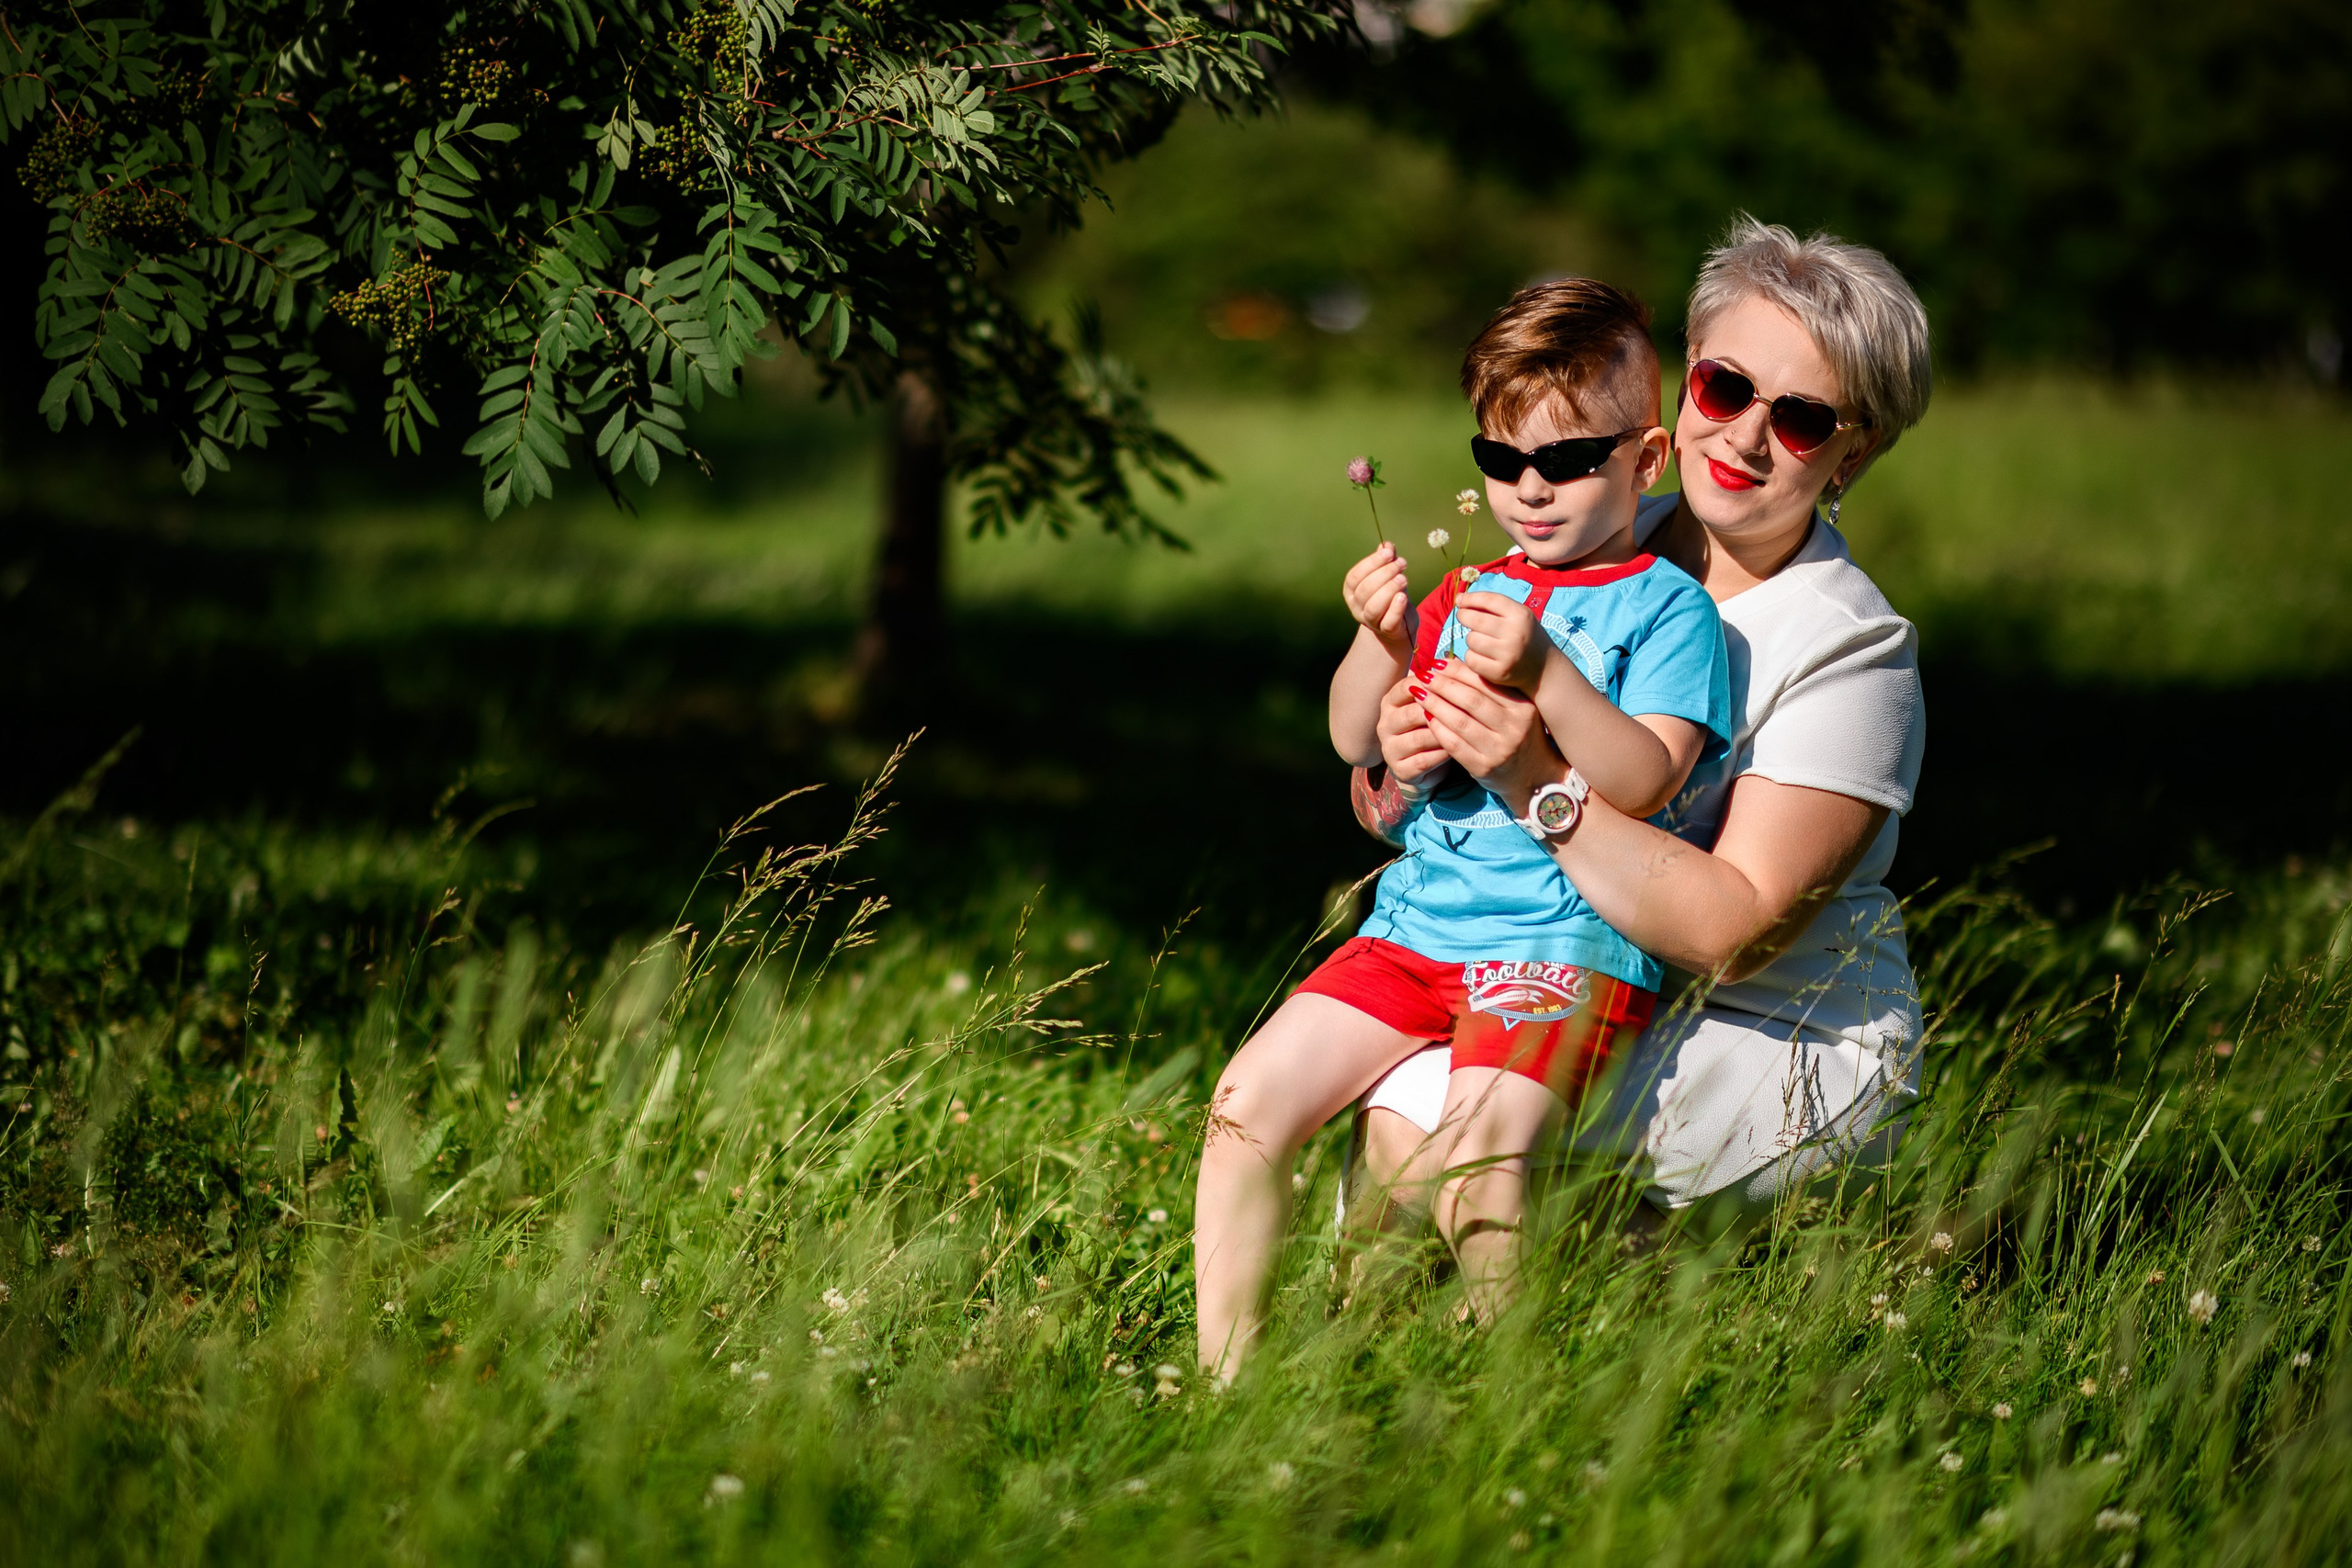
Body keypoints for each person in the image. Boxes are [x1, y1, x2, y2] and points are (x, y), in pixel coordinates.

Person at [1345, 216, 1931, 1246]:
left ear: (1855, 450)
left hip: (1773, 1030)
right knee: (1391, 1086)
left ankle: (1585, 1307)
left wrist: (1533, 779)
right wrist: (1400, 766)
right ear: (1684, 385)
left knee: (1447, 1124)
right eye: (1725, 389)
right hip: (1556, 966)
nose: (1746, 436)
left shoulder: (1851, 648)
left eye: (1800, 420)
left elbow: (1733, 934)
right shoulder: (1594, 523)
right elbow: (1399, 787)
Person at [1193, 279, 1734, 1381]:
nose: (1529, 491)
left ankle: (1506, 1398)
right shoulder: (1467, 586)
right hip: (1413, 932)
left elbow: (1644, 778)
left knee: (1483, 1166)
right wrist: (1383, 653)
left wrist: (1545, 674)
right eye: (1501, 462)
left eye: (1567, 461)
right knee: (1243, 1106)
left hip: (1559, 944)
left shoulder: (1668, 608)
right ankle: (1225, 1385)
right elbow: (1355, 742)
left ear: (1645, 461)